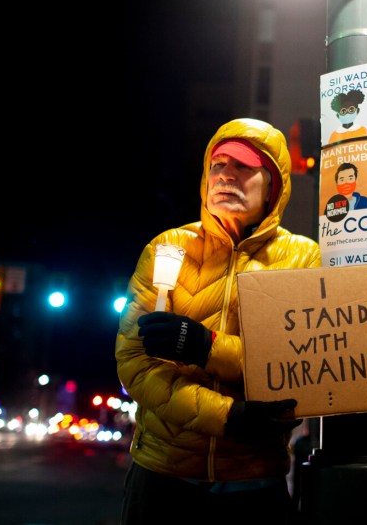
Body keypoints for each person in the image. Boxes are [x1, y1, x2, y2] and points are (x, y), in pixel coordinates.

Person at [116, 118, 321, 524]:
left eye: (243, 166)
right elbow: (134, 364)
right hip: (161, 477)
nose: (226, 174)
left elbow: (297, 362)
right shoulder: (166, 248)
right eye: (217, 165)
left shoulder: (303, 258)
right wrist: (228, 417)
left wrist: (204, 347)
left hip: (254, 481)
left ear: (273, 186)